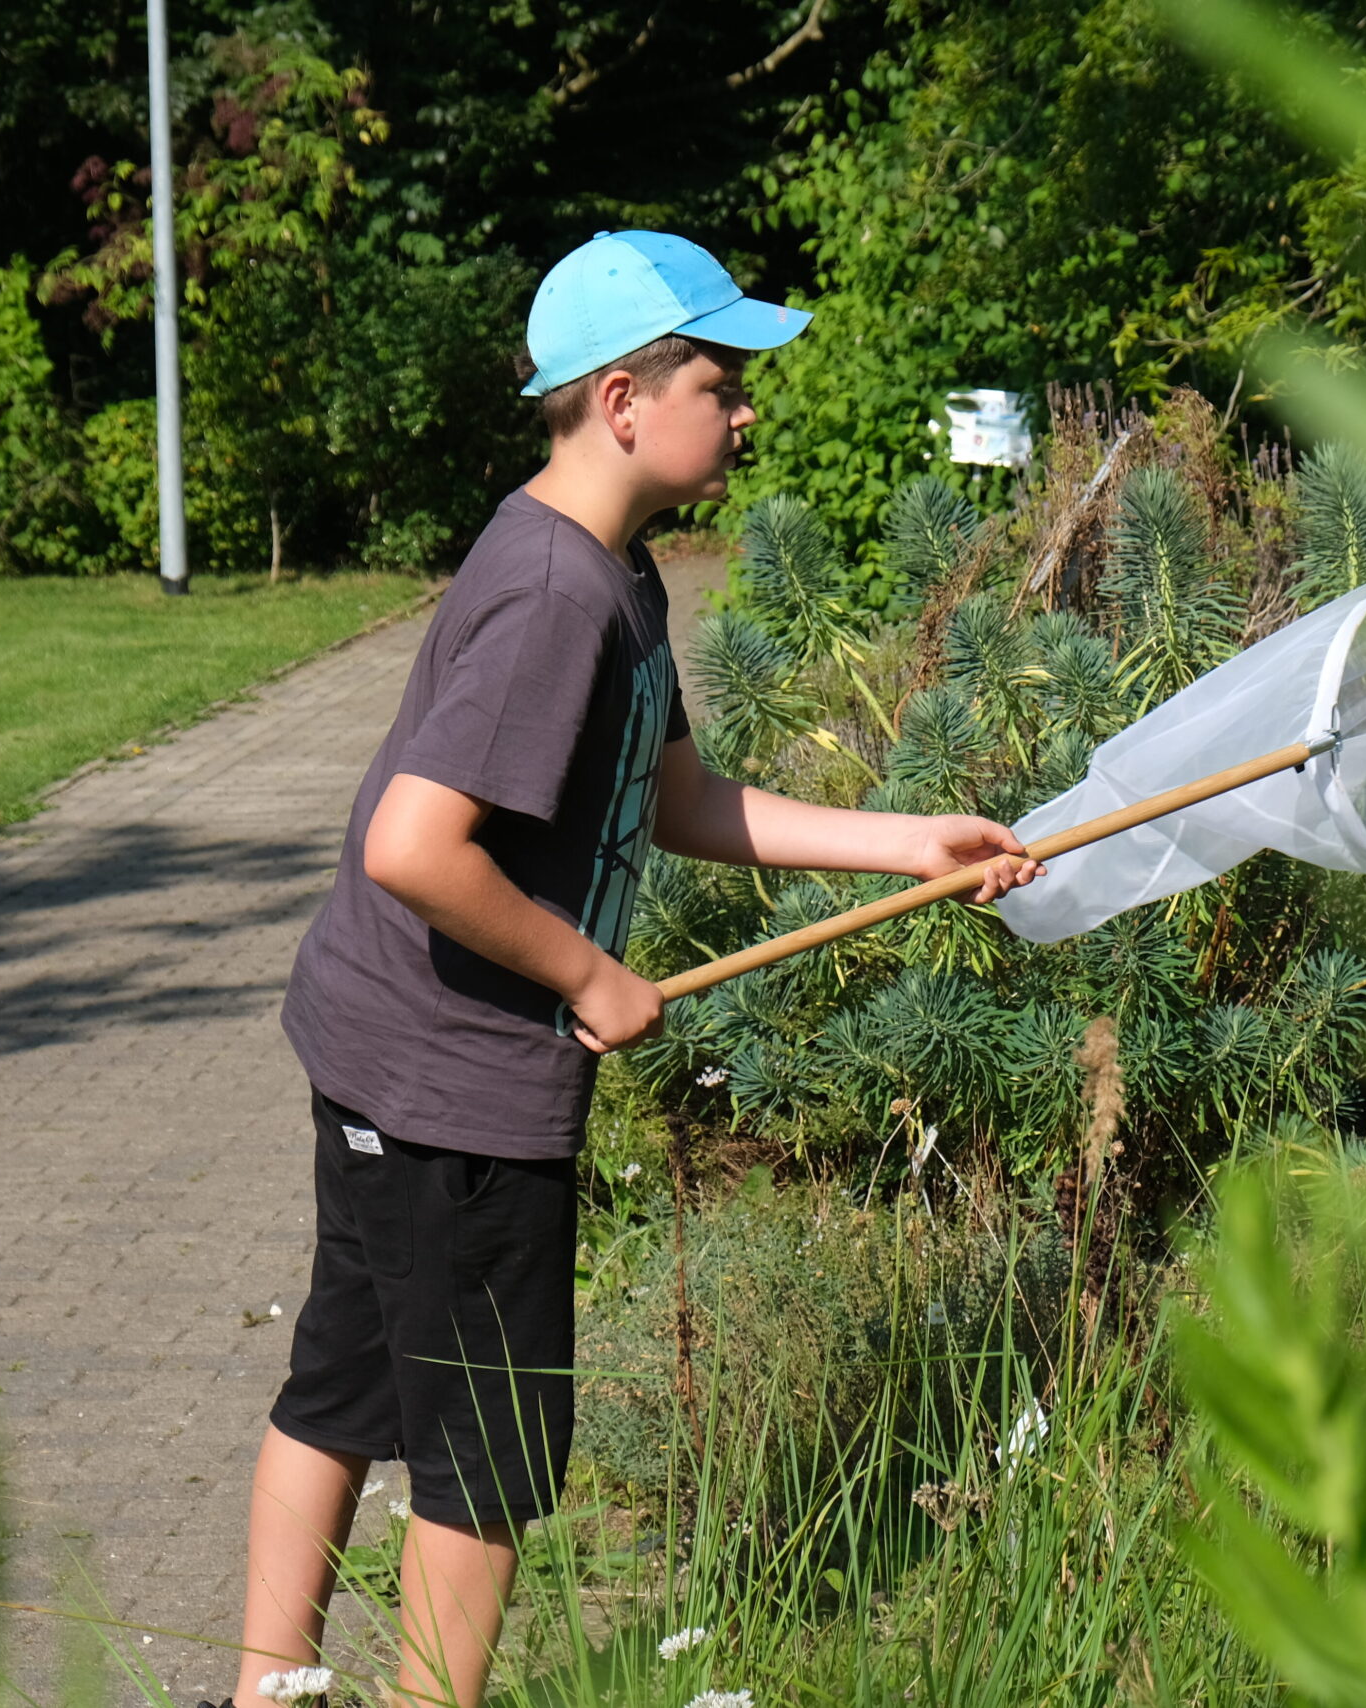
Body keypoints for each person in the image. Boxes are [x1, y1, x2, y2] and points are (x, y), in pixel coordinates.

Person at [211, 231, 1042, 1708]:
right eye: (721, 382)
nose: (746, 412)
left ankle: (264, 1688)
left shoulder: (612, 572)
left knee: (343, 1376)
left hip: (383, 1053)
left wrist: (916, 841)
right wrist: (587, 975)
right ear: (620, 401)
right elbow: (415, 844)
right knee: (487, 1453)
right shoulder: (557, 599)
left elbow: (680, 804)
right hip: (455, 1091)